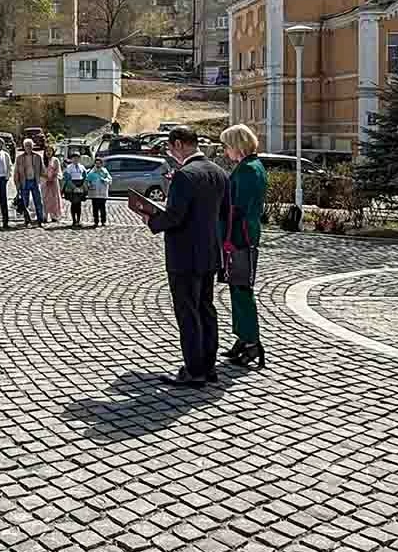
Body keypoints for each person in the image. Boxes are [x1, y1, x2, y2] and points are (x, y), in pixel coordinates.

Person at [131, 127, 228, 387]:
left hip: (184, 254)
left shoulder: (185, 175)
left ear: (178, 144)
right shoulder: (219, 172)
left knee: (187, 312)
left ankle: (194, 370)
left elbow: (175, 216)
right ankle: (209, 366)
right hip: (210, 251)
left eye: (171, 148)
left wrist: (150, 218)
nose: (171, 154)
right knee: (207, 309)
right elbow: (224, 212)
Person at [220, 125, 268, 369]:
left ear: (236, 145)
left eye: (226, 145)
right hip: (241, 235)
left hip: (241, 237)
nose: (225, 151)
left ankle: (251, 341)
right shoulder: (250, 166)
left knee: (241, 290)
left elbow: (237, 207)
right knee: (236, 289)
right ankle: (243, 336)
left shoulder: (249, 169)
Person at [13, 140, 46, 226]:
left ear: (32, 146)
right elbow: (16, 172)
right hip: (24, 182)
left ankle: (40, 220)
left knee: (38, 201)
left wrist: (47, 178)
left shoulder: (37, 156)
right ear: (24, 147)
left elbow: (42, 170)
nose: (28, 147)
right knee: (25, 202)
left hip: (34, 181)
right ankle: (27, 220)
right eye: (26, 145)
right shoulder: (19, 158)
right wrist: (17, 184)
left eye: (30, 145)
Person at [85, 157, 113, 227]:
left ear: (101, 164)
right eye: (96, 163)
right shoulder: (92, 172)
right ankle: (96, 221)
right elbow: (88, 180)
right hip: (94, 193)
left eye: (99, 163)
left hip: (102, 193)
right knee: (95, 208)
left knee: (102, 207)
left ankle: (103, 221)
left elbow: (110, 180)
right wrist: (89, 184)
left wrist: (105, 180)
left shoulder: (104, 171)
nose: (98, 165)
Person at [62, 153, 88, 228]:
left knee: (79, 204)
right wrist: (74, 187)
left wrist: (82, 186)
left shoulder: (82, 167)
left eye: (77, 158)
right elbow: (67, 178)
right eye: (74, 158)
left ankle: (78, 220)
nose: (75, 159)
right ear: (71, 159)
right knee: (73, 204)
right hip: (72, 186)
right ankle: (73, 220)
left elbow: (85, 177)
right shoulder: (69, 168)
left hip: (80, 185)